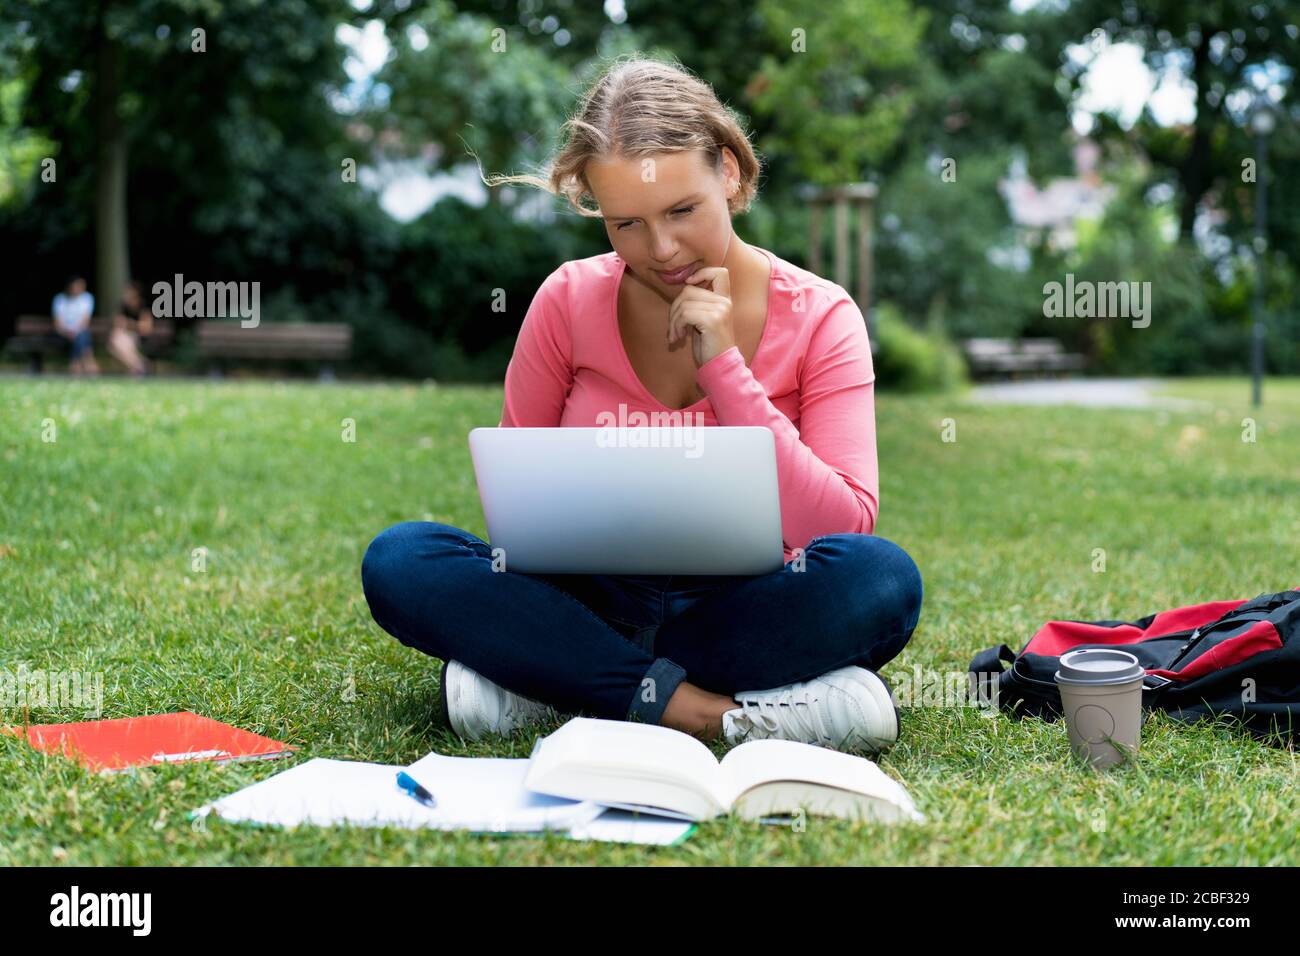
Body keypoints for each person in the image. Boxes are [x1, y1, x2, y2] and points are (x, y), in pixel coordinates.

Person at [361, 55, 923, 753]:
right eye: (625, 224)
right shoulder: (566, 301)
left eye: (681, 211)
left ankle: (555, 683)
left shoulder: (821, 316)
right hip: (588, 601)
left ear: (728, 170)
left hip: (744, 608)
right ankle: (704, 712)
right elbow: (514, 508)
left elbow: (843, 523)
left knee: (882, 580)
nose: (660, 250)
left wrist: (723, 366)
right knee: (401, 558)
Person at [52, 276, 99, 376]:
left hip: (80, 332)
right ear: (70, 287)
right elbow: (57, 323)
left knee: (81, 335)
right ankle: (88, 359)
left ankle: (75, 362)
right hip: (63, 333)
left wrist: (75, 331)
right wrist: (67, 331)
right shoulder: (60, 299)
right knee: (83, 338)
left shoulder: (87, 298)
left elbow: (85, 321)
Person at [108, 279, 154, 377]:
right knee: (116, 338)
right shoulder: (123, 307)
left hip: (140, 338)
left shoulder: (143, 306)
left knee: (115, 342)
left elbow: (146, 329)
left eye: (128, 291)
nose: (125, 294)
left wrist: (129, 324)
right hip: (125, 337)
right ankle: (140, 365)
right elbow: (117, 323)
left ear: (136, 293)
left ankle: (137, 367)